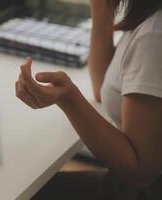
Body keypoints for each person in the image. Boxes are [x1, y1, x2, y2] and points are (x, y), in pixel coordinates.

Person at [15, 0, 162, 199]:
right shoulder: (148, 13)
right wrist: (101, 8)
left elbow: (140, 172)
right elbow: (104, 88)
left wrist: (68, 99)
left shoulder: (153, 35)